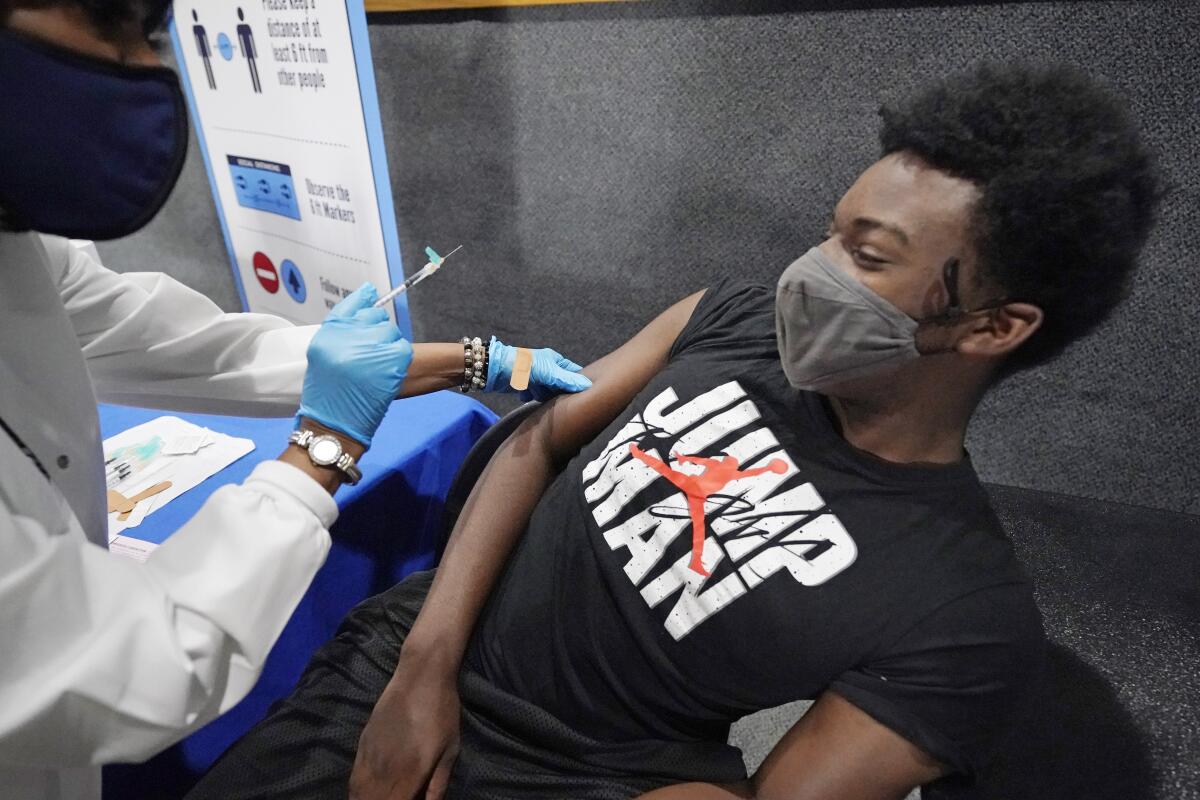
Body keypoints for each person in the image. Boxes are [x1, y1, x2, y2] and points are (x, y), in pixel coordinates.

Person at [184, 60, 1162, 800]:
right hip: (412, 655)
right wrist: (425, 666)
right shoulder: (733, 318)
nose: (808, 272)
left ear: (995, 324)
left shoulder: (963, 611)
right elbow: (538, 443)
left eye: (867, 256)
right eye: (832, 230)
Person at [0, 3, 590, 800]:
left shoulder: (19, 247)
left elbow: (191, 347)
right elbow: (150, 656)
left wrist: (481, 359)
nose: (150, 67)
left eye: (155, 31)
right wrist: (323, 443)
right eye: (115, 22)